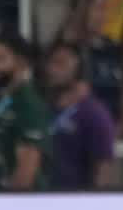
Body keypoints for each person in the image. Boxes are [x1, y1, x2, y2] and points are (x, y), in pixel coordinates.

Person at [0, 31, 49, 189]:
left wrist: (8, 206)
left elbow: (26, 169)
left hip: (18, 205)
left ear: (21, 63)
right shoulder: (2, 99)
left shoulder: (26, 103)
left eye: (0, 59)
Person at [43, 41, 115, 189]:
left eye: (60, 64)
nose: (51, 70)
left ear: (79, 70)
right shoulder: (47, 107)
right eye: (50, 63)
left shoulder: (94, 114)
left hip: (74, 202)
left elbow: (102, 167)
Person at [56, 0, 123, 125]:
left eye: (104, 9)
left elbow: (119, 93)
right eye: (97, 9)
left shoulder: (110, 47)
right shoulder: (64, 49)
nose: (102, 16)